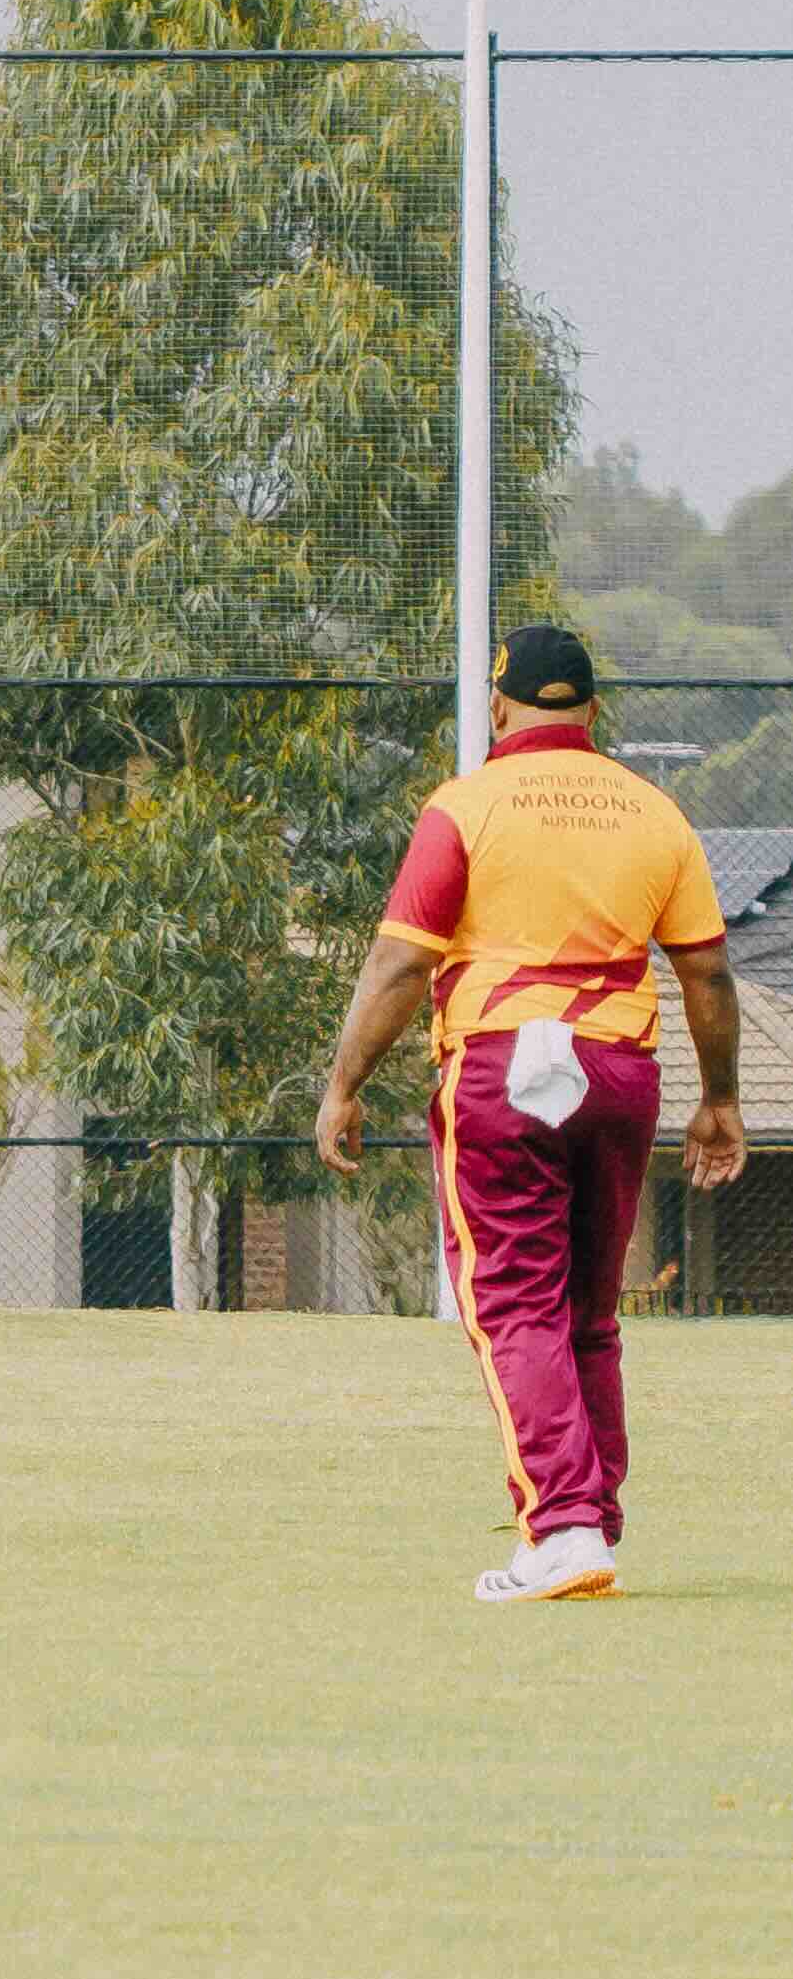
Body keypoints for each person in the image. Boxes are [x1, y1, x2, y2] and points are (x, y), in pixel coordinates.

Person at [317, 623, 750, 1604]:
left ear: (498, 707)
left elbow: (397, 962)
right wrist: (719, 1098)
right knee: (585, 1311)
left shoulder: (463, 806)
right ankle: (589, 1515)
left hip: (503, 1065)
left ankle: (557, 1527)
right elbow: (707, 972)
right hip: (616, 1071)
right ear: (592, 711)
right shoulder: (654, 812)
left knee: (512, 1299)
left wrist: (342, 1082)